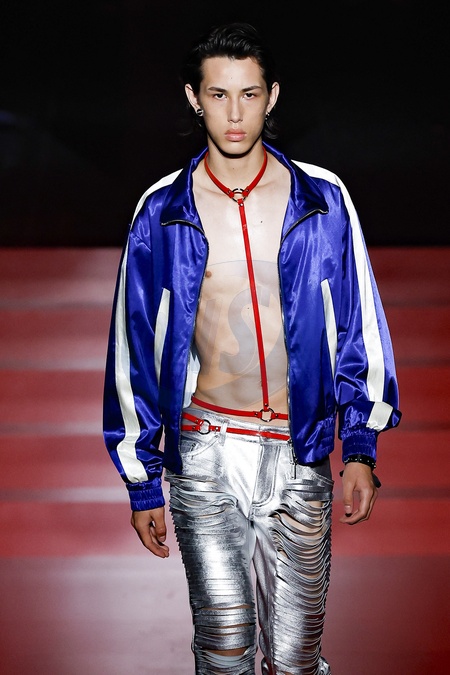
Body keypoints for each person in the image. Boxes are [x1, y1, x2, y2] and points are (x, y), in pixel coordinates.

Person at [103, 21, 401, 675]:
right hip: (204, 453)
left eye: (249, 94)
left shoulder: (322, 199)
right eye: (218, 95)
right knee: (224, 649)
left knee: (296, 658)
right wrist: (143, 484)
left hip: (300, 450)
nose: (235, 114)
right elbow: (133, 349)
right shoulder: (161, 211)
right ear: (193, 98)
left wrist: (360, 447)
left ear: (273, 96)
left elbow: (358, 324)